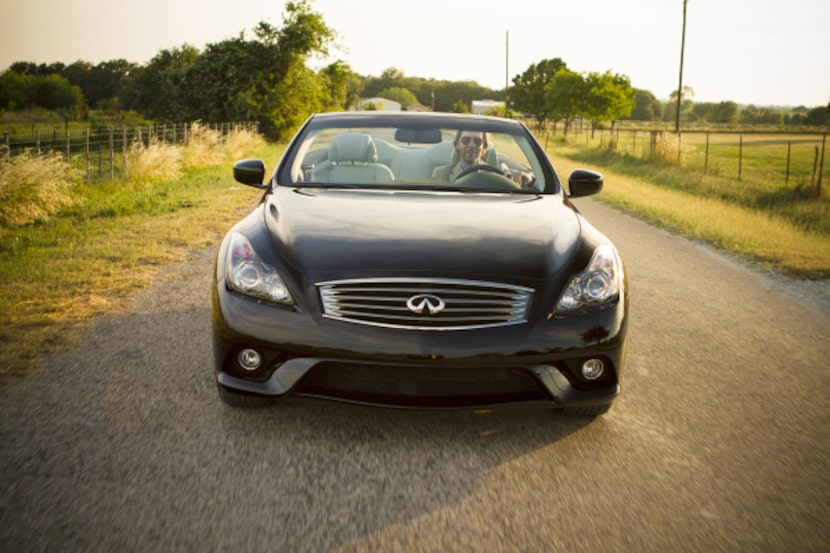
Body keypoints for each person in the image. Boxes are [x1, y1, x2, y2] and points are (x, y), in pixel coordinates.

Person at [432, 129, 533, 186]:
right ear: (457, 145)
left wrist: (522, 177)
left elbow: (532, 178)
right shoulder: (440, 174)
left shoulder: (499, 174)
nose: (471, 145)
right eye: (466, 140)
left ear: (484, 147)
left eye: (477, 141)